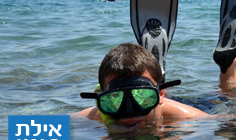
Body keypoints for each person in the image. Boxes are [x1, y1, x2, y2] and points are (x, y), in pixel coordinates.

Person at [75, 43, 209, 131]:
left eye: (142, 96)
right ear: (101, 101)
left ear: (161, 94)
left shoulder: (187, 117)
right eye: (115, 98)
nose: (129, 111)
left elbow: (221, 123)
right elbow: (55, 126)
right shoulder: (95, 115)